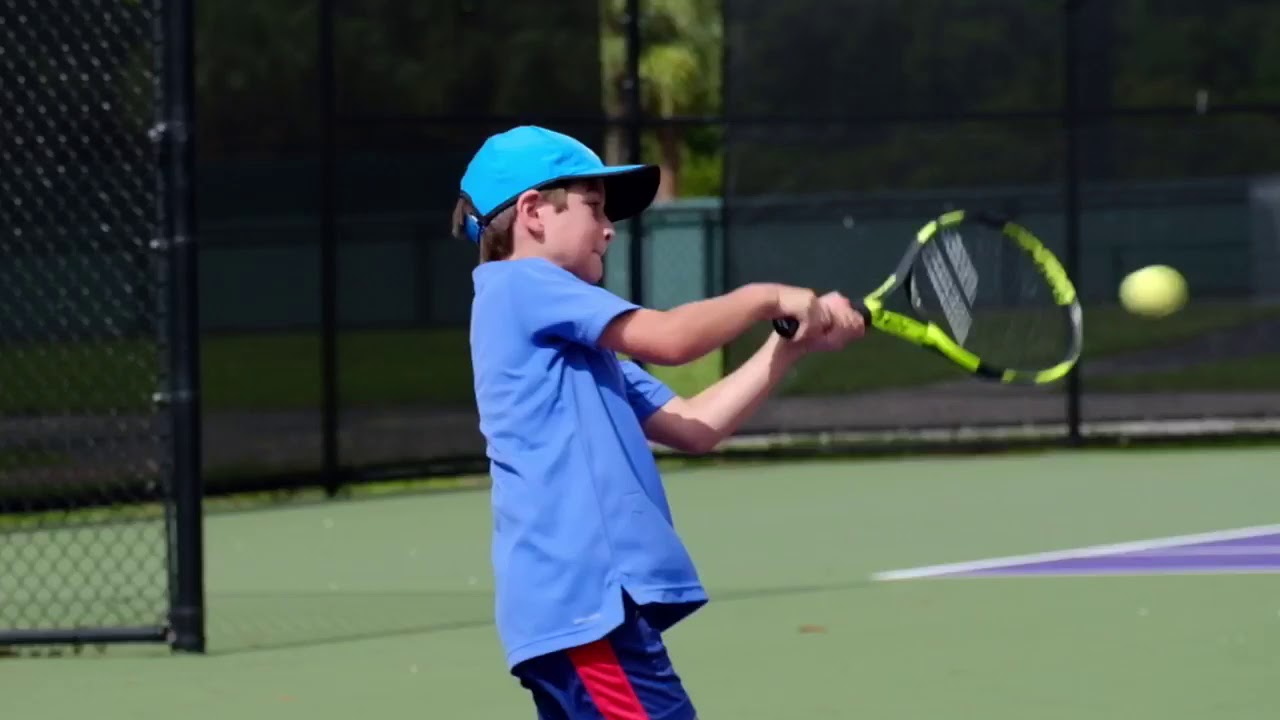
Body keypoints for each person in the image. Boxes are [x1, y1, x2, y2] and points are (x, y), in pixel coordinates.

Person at [453, 125, 865, 720]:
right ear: (534, 212)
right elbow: (671, 339)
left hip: (577, 617)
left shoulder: (579, 346)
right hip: (583, 611)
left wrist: (790, 347)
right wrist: (768, 296)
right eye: (594, 208)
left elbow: (696, 424)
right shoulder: (522, 284)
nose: (608, 228)